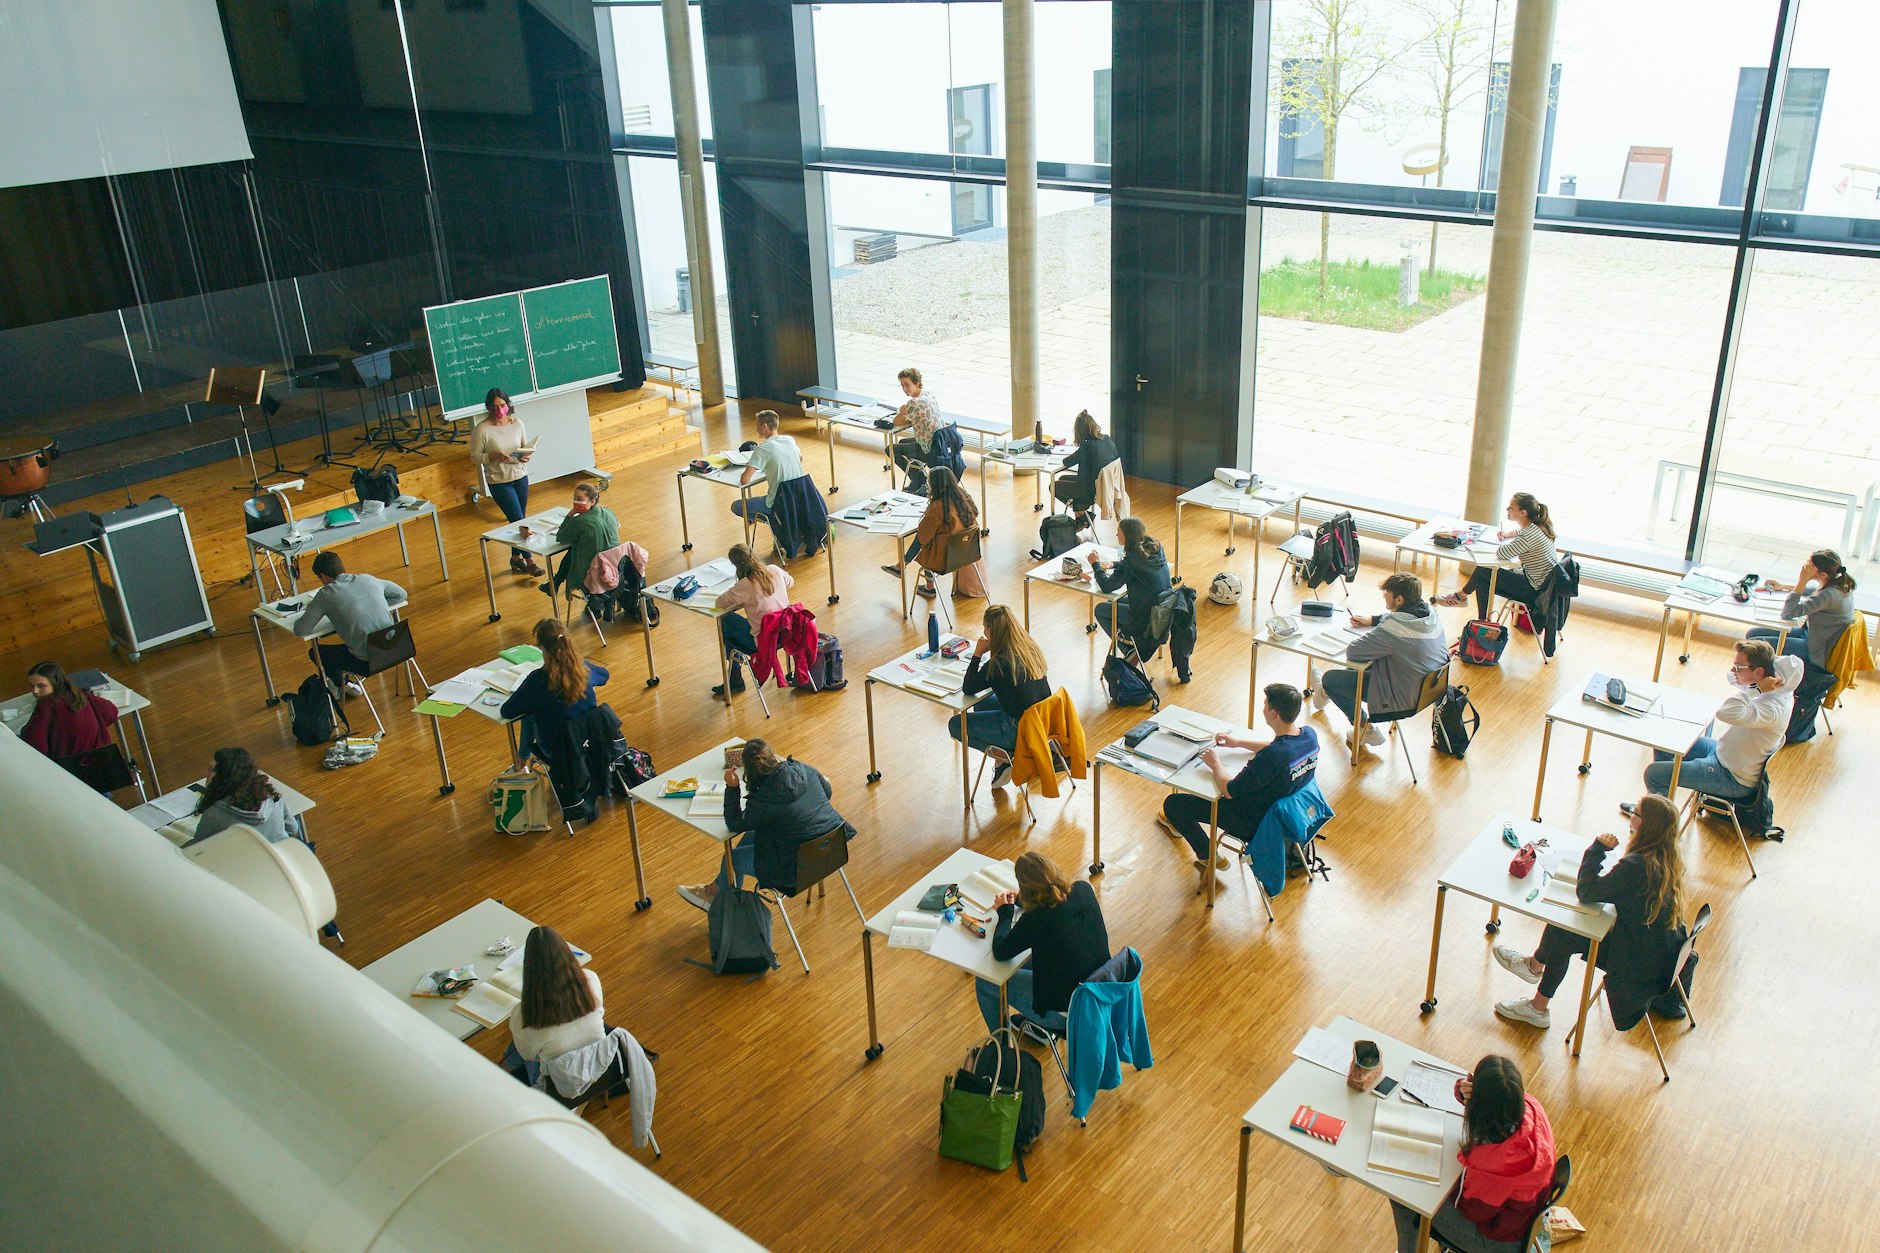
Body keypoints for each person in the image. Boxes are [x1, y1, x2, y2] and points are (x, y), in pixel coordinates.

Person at [1492, 794, 1686, 1029]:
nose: (1630, 814)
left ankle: (1537, 1003)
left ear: (1647, 825)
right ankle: (1534, 968)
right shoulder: (1667, 858)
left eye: (1635, 812)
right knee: (1565, 926)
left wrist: (1597, 849)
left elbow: (1587, 892)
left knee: (1565, 932)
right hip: (1654, 953)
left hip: (1636, 964)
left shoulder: (1636, 867)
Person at [1387, 1055, 1556, 1253]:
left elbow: (1470, 1210)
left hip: (1499, 1242)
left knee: (1403, 1195)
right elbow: (1496, 1101)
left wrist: (1437, 1177)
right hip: (1522, 1219)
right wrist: (1466, 1095)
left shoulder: (1493, 1163)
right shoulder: (1530, 1106)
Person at [1158, 684, 1320, 890]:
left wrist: (1215, 763)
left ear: (1273, 713)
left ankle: (1207, 854)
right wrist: (1238, 743)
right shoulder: (1308, 735)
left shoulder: (1271, 757)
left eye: (1265, 705)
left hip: (1254, 822)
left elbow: (1230, 790)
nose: (1263, 708)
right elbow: (1277, 747)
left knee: (1173, 804)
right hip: (1294, 813)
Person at [677, 738, 854, 913]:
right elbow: (827, 792)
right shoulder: (803, 770)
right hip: (832, 850)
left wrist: (732, 788)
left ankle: (721, 903)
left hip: (796, 871)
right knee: (753, 834)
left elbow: (734, 823)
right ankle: (717, 889)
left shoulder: (763, 801)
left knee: (731, 859)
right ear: (773, 756)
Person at [1633, 637, 1799, 807]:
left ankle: (1655, 817)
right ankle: (1658, 806)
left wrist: (1756, 689)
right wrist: (1755, 682)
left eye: (1737, 667)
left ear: (1758, 673)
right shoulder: (1776, 688)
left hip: (1731, 776)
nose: (1732, 670)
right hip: (1724, 754)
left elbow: (1725, 713)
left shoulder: (1772, 708)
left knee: (1654, 774)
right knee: (1664, 741)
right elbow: (1732, 678)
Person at [977, 851, 1110, 1036]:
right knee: (1036, 958)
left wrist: (1005, 913)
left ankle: (1000, 1047)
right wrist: (1022, 900)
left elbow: (1001, 951)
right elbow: (1057, 906)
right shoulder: (1083, 889)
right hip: (1099, 991)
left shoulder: (1038, 918)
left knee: (987, 982)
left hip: (1069, 1011)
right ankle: (1036, 1029)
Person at [1317, 572, 1449, 750]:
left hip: (1403, 697)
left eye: (1387, 593)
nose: (1384, 596)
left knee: (1331, 679)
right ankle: (1325, 693)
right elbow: (1402, 619)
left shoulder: (1396, 628)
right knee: (1358, 670)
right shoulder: (1430, 614)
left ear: (1399, 599)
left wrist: (1378, 633)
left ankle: (1364, 728)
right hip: (1429, 688)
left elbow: (1354, 653)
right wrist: (1374, 620)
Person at [1751, 548, 1858, 743]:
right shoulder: (1839, 585)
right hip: (1813, 637)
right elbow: (1814, 592)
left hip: (1815, 651)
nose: (1805, 567)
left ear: (1823, 574)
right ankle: (1760, 687)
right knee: (1753, 635)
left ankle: (1762, 691)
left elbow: (1789, 612)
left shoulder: (1830, 595)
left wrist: (1801, 581)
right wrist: (1784, 587)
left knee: (1758, 647)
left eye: (1810, 565)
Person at [951, 604, 1053, 789]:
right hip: (1043, 722)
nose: (984, 631)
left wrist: (977, 653)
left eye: (985, 626)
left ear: (991, 629)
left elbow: (969, 688)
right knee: (980, 704)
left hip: (1019, 728)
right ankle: (1004, 759)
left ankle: (1007, 756)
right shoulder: (1029, 648)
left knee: (956, 724)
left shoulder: (998, 664)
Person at [500, 618, 609, 769]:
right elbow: (604, 675)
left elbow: (507, 711)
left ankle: (521, 764)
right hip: (589, 739)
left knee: (529, 716)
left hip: (557, 749)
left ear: (541, 647)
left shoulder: (538, 680)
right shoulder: (583, 668)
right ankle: (521, 763)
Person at [1434, 492, 1558, 620]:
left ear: (1523, 513)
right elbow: (1521, 532)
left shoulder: (1527, 536)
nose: (1507, 509)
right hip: (1544, 588)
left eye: (1511, 508)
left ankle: (1460, 597)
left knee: (1485, 569)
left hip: (1534, 591)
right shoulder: (1539, 527)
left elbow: (1502, 553)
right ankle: (1482, 621)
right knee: (1483, 579)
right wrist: (1509, 534)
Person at [293, 551, 404, 693]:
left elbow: (301, 630)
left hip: (368, 662)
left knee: (317, 653)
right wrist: (372, 606)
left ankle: (342, 685)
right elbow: (401, 594)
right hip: (398, 649)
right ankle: (344, 686)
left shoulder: (326, 594)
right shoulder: (368, 579)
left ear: (323, 576)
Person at [505, 926, 605, 1073]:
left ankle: (502, 1070)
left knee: (522, 1043)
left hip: (557, 1079)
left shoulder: (524, 1014)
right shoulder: (590, 978)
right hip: (600, 1062)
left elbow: (527, 1055)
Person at [882, 465, 980, 600]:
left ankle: (908, 569)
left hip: (945, 558)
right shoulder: (962, 495)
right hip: (967, 552)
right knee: (935, 538)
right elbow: (975, 512)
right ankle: (904, 567)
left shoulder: (938, 506)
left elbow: (923, 536)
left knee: (928, 541)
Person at [470, 387, 540, 575]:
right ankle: (530, 561)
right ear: (488, 408)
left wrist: (526, 456)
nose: (499, 410)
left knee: (518, 519)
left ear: (508, 404)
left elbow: (524, 447)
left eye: (502, 405)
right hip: (499, 481)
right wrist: (492, 456)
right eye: (495, 407)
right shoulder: (482, 429)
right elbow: (475, 456)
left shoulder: (517, 423)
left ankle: (515, 558)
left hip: (520, 476)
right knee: (518, 520)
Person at [712, 544, 794, 697]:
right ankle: (734, 678)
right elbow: (790, 582)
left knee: (725, 622)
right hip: (785, 633)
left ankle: (734, 678)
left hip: (763, 641)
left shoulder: (744, 585)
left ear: (736, 565)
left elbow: (719, 603)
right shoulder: (774, 570)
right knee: (731, 632)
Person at [190, 747, 304, 845]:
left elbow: (197, 849)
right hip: (280, 859)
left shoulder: (214, 814)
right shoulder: (271, 795)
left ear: (226, 777)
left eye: (212, 770)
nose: (206, 774)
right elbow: (292, 829)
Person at [1093, 517, 1172, 654]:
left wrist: (1095, 565)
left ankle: (1129, 650)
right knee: (1112, 603)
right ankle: (1131, 641)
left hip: (1145, 619)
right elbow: (1137, 564)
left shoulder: (1132, 560)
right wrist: (1114, 564)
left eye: (1118, 532)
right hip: (1163, 610)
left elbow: (1107, 586)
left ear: (1127, 535)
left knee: (1100, 609)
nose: (1116, 534)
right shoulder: (1156, 547)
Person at [18, 662, 118, 760]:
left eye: (41, 686)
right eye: (32, 686)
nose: (35, 691)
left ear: (55, 683)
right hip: (103, 759)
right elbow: (111, 711)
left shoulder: (47, 704)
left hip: (70, 765)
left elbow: (34, 742)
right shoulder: (80, 694)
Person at [546, 481, 618, 599]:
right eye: (574, 498)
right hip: (613, 567)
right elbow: (616, 524)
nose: (576, 502)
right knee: (575, 548)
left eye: (580, 499)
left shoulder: (578, 521)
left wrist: (569, 515)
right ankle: (555, 582)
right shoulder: (608, 512)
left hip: (591, 571)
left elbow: (561, 537)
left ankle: (555, 582)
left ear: (592, 501)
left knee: (574, 549)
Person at [730, 409, 801, 525]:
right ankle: (781, 522)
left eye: (757, 425)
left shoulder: (762, 449)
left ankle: (775, 522)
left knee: (736, 506)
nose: (756, 429)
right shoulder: (790, 440)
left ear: (764, 426)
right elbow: (800, 458)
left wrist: (750, 465)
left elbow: (744, 480)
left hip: (777, 502)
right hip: (798, 498)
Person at [888, 366, 951, 473]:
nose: (904, 389)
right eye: (902, 385)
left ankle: (918, 479)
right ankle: (918, 474)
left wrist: (902, 410)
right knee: (902, 442)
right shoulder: (929, 395)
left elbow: (896, 422)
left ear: (916, 383)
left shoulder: (914, 403)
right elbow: (918, 417)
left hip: (930, 450)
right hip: (941, 443)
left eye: (907, 385)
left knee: (890, 449)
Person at [1055, 410, 1119, 514]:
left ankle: (1080, 511)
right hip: (1105, 486)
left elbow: (1067, 462)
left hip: (1089, 492)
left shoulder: (1086, 446)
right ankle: (1081, 511)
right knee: (1063, 478)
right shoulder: (1107, 439)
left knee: (1053, 486)